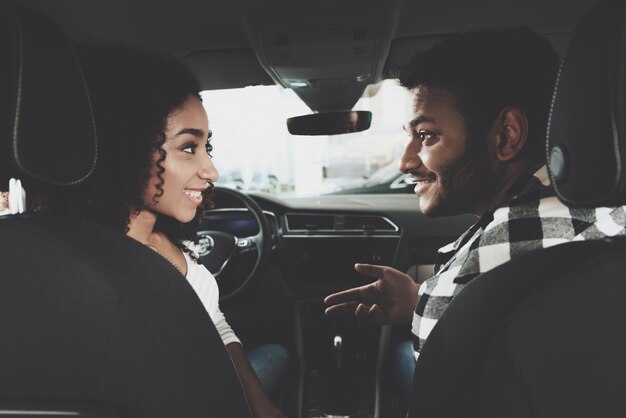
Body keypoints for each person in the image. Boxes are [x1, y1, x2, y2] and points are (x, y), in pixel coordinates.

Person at [324, 26, 626, 397]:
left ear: (507, 135)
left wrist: (435, 302)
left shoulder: (495, 253)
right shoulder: (606, 214)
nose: (405, 162)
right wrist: (422, 296)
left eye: (427, 136)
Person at [48, 45, 289, 418]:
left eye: (205, 147)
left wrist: (260, 405)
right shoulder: (84, 270)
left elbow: (217, 326)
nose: (211, 171)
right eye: (188, 147)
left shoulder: (164, 241)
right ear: (125, 149)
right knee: (278, 354)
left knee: (275, 352)